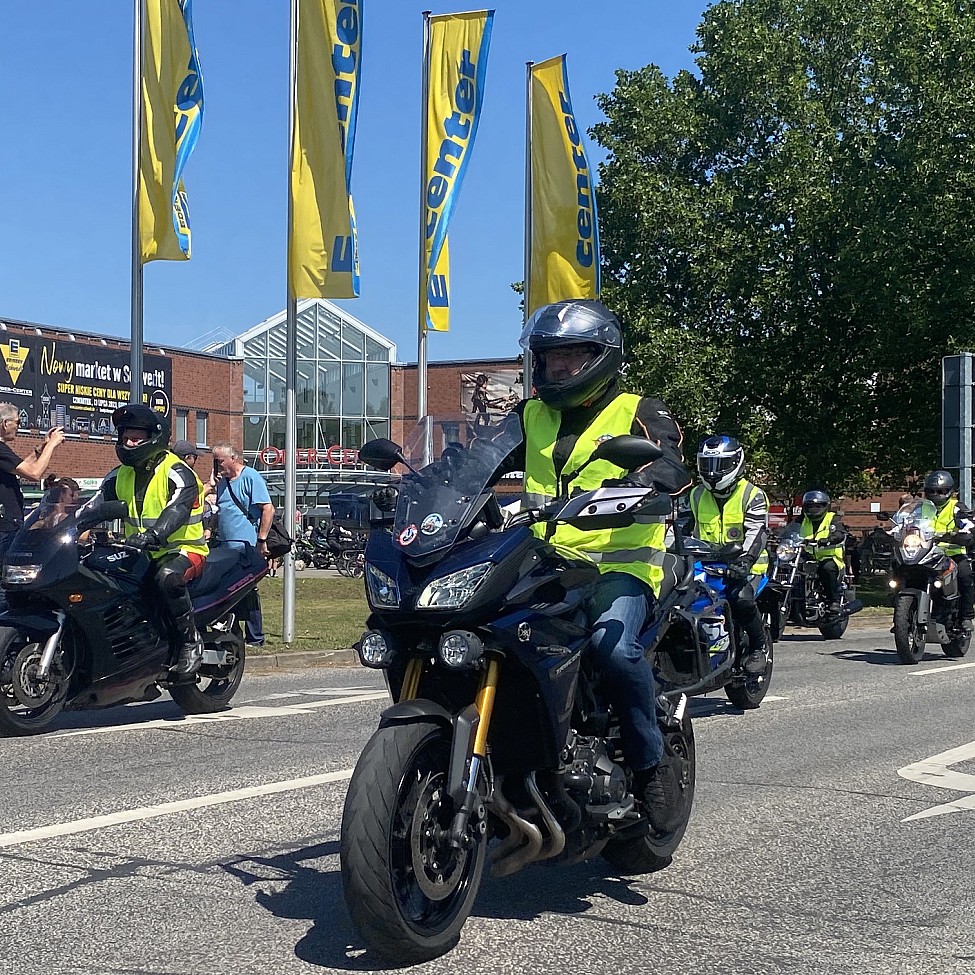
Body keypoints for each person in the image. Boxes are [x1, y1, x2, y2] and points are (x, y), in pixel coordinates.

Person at [489, 298, 692, 833]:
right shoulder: (529, 415)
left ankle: (650, 768)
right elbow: (478, 459)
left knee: (612, 648)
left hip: (618, 570)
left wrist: (649, 484)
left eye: (570, 358)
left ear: (601, 358)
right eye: (550, 359)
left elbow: (670, 463)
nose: (557, 369)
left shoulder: (639, 410)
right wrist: (421, 477)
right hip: (542, 564)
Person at [88, 403, 208, 679]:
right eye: (126, 436)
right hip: (137, 551)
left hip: (183, 550)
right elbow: (92, 507)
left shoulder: (177, 471)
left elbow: (177, 509)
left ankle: (190, 643)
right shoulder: (119, 475)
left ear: (153, 438)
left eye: (137, 437)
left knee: (167, 578)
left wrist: (155, 534)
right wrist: (61, 525)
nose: (130, 442)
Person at [688, 435, 770, 674]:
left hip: (746, 566)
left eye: (720, 465)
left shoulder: (752, 495)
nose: (713, 473)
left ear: (736, 463)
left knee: (741, 599)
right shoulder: (694, 495)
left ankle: (759, 646)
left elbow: (758, 533)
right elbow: (678, 532)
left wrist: (745, 561)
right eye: (708, 465)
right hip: (703, 566)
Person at [211, 441, 274, 648]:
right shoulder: (221, 482)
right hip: (224, 546)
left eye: (220, 461)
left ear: (233, 459)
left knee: (247, 590)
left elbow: (268, 509)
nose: (217, 465)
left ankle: (255, 637)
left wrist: (261, 540)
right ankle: (233, 633)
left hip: (245, 545)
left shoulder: (250, 477)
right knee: (226, 591)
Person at [0, 402, 64, 545]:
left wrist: (43, 446)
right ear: (5, 423)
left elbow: (23, 468)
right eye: (18, 422)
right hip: (5, 529)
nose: (18, 426)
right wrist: (53, 444)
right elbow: (34, 473)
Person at [922, 470, 975, 632]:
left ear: (949, 491)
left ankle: (966, 616)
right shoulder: (921, 508)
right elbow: (904, 521)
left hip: (953, 554)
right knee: (899, 569)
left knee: (965, 575)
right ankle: (902, 607)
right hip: (926, 554)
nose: (936, 494)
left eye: (940, 491)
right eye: (932, 491)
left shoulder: (956, 507)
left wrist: (960, 535)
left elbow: (969, 524)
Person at [796, 490, 847, 614]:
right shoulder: (803, 519)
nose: (813, 509)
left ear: (825, 506)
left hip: (829, 557)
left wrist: (830, 539)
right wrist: (777, 535)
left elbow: (839, 532)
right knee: (790, 567)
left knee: (827, 568)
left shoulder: (832, 518)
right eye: (810, 506)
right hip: (807, 556)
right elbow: (789, 529)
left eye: (817, 506)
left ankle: (833, 600)